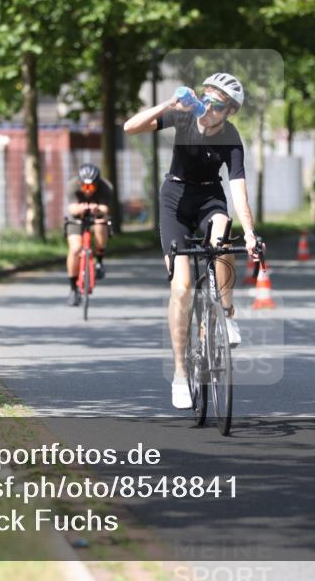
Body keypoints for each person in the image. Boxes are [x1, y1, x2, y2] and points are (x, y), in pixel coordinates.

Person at [123, 72, 259, 409]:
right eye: (207, 99)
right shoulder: (184, 116)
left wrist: (251, 233)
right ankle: (181, 374)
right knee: (182, 287)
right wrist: (169, 103)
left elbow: (238, 191)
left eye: (218, 105)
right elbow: (130, 127)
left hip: (209, 198)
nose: (209, 108)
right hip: (175, 199)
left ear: (230, 112)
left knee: (223, 231)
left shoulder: (231, 138)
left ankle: (226, 312)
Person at [64, 163, 113, 306]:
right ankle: (73, 289)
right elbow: (72, 209)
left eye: (91, 187)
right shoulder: (72, 185)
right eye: (85, 186)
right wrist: (81, 208)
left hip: (96, 216)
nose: (88, 190)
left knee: (101, 226)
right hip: (77, 218)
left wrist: (97, 209)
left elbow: (105, 208)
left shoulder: (105, 187)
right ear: (79, 183)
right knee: (75, 249)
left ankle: (99, 261)